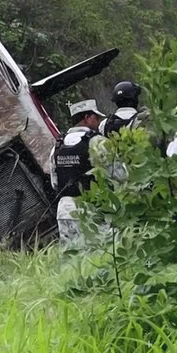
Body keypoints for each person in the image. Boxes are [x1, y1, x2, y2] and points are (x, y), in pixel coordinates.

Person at [49, 99, 108, 247]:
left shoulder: (58, 145)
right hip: (93, 209)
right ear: (86, 118)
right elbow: (118, 175)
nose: (98, 121)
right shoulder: (98, 142)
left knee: (72, 256)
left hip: (65, 211)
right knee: (100, 254)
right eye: (96, 117)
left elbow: (54, 182)